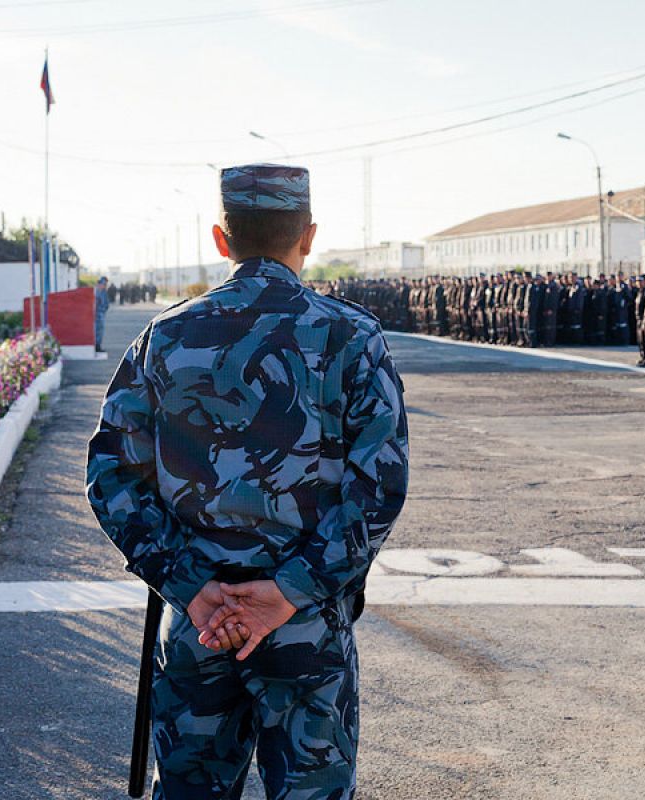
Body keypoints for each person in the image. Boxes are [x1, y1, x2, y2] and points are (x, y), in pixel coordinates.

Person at [87, 164, 409, 799]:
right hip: (306, 628)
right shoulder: (353, 335)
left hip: (198, 624)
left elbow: (111, 473)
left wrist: (192, 586)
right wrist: (289, 591)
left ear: (220, 237)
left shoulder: (166, 336)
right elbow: (379, 487)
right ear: (308, 237)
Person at [94, 276, 110, 353]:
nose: (105, 286)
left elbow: (106, 302)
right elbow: (96, 304)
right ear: (100, 284)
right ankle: (97, 346)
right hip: (98, 314)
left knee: (100, 331)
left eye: (106, 284)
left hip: (102, 313)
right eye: (104, 284)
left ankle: (98, 345)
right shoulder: (98, 292)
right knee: (98, 331)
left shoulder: (104, 292)